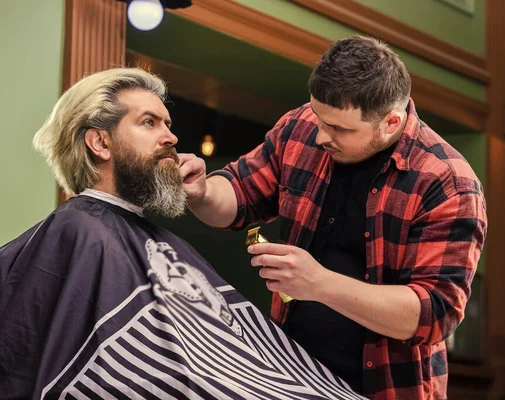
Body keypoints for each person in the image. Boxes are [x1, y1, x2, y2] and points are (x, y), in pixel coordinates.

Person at [0, 68, 366, 400]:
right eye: (149, 123)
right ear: (101, 143)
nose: (171, 137)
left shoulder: (152, 239)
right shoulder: (77, 230)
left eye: (168, 123)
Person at [180, 35, 488, 400]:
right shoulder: (302, 127)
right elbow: (239, 193)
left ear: (391, 122)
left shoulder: (447, 182)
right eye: (318, 117)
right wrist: (202, 191)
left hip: (385, 387)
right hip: (291, 375)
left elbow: (433, 315)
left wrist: (319, 283)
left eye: (340, 129)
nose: (321, 135)